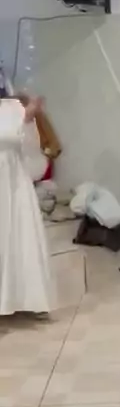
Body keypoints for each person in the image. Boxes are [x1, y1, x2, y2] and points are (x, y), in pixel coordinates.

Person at [0, 93, 52, 315]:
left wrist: (29, 119)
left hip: (14, 180)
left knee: (18, 234)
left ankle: (24, 300)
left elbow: (30, 149)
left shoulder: (13, 106)